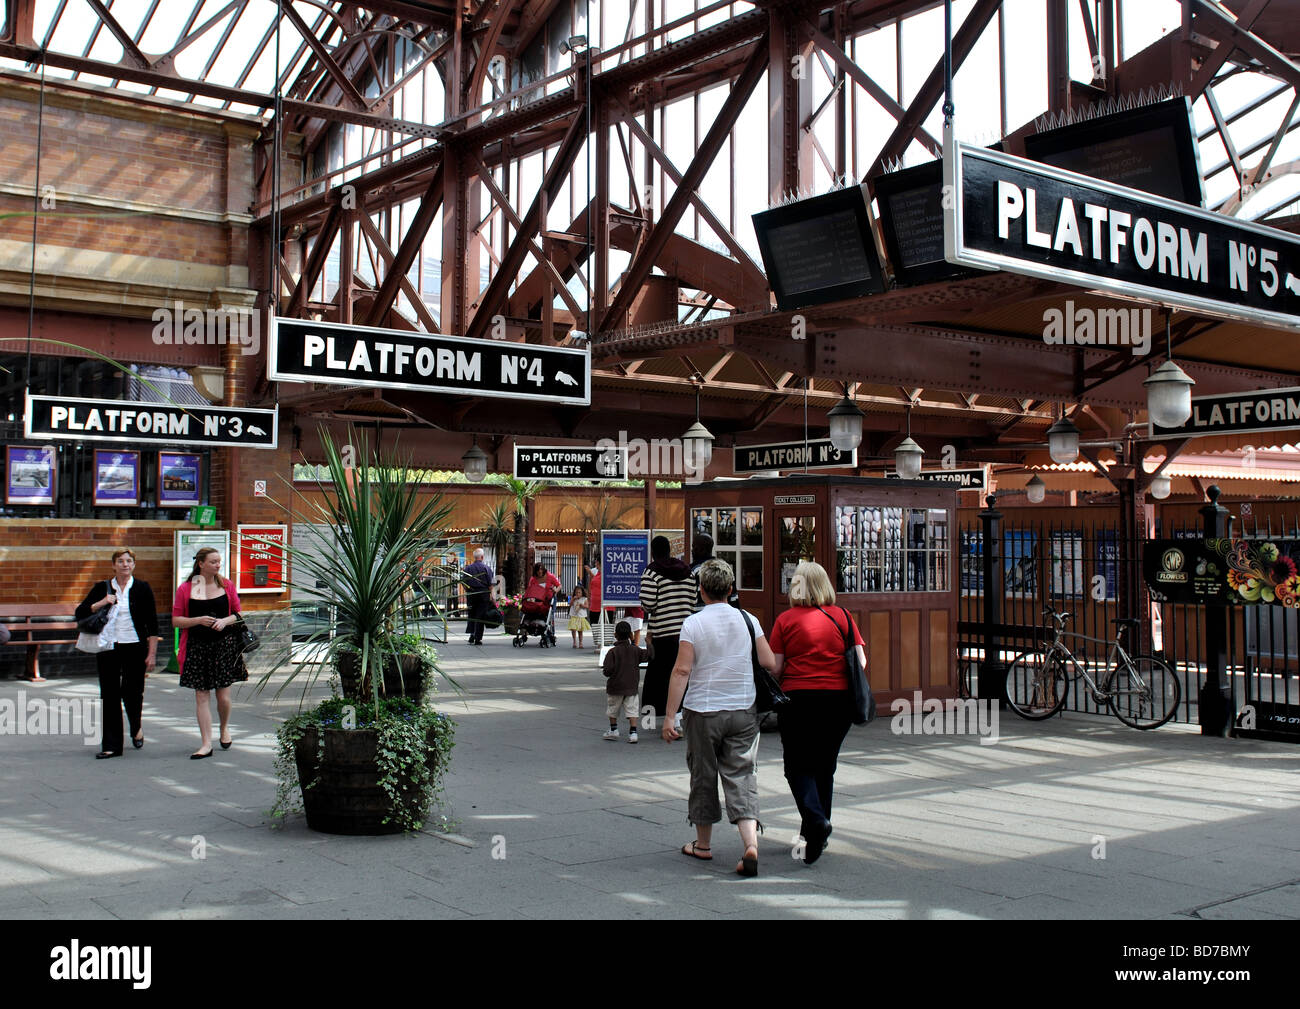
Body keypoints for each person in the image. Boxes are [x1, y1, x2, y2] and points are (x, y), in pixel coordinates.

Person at [664, 558, 773, 877]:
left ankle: (703, 845)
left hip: (703, 710)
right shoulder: (749, 619)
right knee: (742, 773)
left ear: (701, 591)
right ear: (730, 589)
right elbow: (768, 661)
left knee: (703, 774)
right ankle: (750, 843)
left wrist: (671, 716)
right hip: (743, 710)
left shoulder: (693, 623)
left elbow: (682, 670)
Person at [768, 560, 866, 865]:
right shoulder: (843, 617)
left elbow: (777, 667)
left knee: (796, 766)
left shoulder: (785, 620)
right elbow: (860, 662)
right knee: (825, 766)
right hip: (838, 702)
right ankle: (815, 836)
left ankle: (816, 821)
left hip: (799, 699)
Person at [75, 549, 160, 759]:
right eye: (120, 561)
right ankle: (111, 745)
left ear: (134, 565)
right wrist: (102, 602)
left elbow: (153, 625)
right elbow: (81, 612)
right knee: (109, 694)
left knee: (133, 693)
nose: (125, 564)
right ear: (113, 565)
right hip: (108, 647)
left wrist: (151, 655)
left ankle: (136, 727)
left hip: (134, 646)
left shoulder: (142, 588)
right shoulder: (101, 588)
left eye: (129, 561)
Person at [172, 548, 247, 759]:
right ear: (201, 564)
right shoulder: (186, 588)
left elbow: (238, 614)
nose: (217, 565)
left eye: (219, 561)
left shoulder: (226, 585)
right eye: (213, 562)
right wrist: (198, 620)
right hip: (197, 646)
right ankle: (206, 743)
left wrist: (224, 621)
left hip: (224, 645)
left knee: (223, 695)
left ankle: (224, 728)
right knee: (201, 695)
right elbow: (176, 620)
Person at [638, 536, 697, 720]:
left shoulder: (652, 572)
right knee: (682, 673)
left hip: (662, 632)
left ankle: (652, 718)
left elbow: (647, 603)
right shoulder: (688, 571)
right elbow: (693, 601)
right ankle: (679, 716)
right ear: (669, 550)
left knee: (657, 678)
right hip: (686, 633)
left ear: (653, 552)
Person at [601, 620, 652, 742]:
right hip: (631, 686)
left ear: (615, 635)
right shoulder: (636, 650)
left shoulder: (612, 652)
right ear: (631, 635)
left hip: (615, 687)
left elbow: (607, 670)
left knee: (613, 709)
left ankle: (613, 730)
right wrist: (649, 643)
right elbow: (649, 656)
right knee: (632, 710)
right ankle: (633, 733)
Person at [463, 547, 493, 645]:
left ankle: (471, 634)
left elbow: (463, 582)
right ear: (482, 557)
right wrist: (491, 595)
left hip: (471, 593)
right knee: (480, 615)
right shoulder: (486, 568)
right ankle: (477, 637)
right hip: (483, 594)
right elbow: (490, 584)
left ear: (474, 557)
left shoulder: (468, 568)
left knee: (471, 614)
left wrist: (467, 590)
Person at [568, 582, 591, 648]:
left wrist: (582, 605)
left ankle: (581, 642)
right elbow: (570, 604)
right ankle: (574, 641)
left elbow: (587, 606)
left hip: (581, 616)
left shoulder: (584, 599)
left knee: (580, 630)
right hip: (574, 615)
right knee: (573, 629)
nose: (577, 594)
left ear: (582, 593)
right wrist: (573, 599)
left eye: (579, 592)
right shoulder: (573, 598)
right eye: (576, 592)